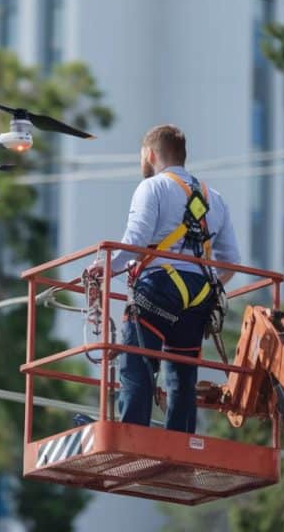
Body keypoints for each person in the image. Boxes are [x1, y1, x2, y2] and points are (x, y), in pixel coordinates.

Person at [88, 124, 239, 433]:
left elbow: (136, 241)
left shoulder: (152, 187)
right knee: (182, 373)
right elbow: (232, 260)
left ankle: (134, 436)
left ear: (150, 154)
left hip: (160, 286)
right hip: (199, 293)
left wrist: (103, 270)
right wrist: (211, 285)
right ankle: (181, 440)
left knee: (137, 363)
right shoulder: (215, 198)